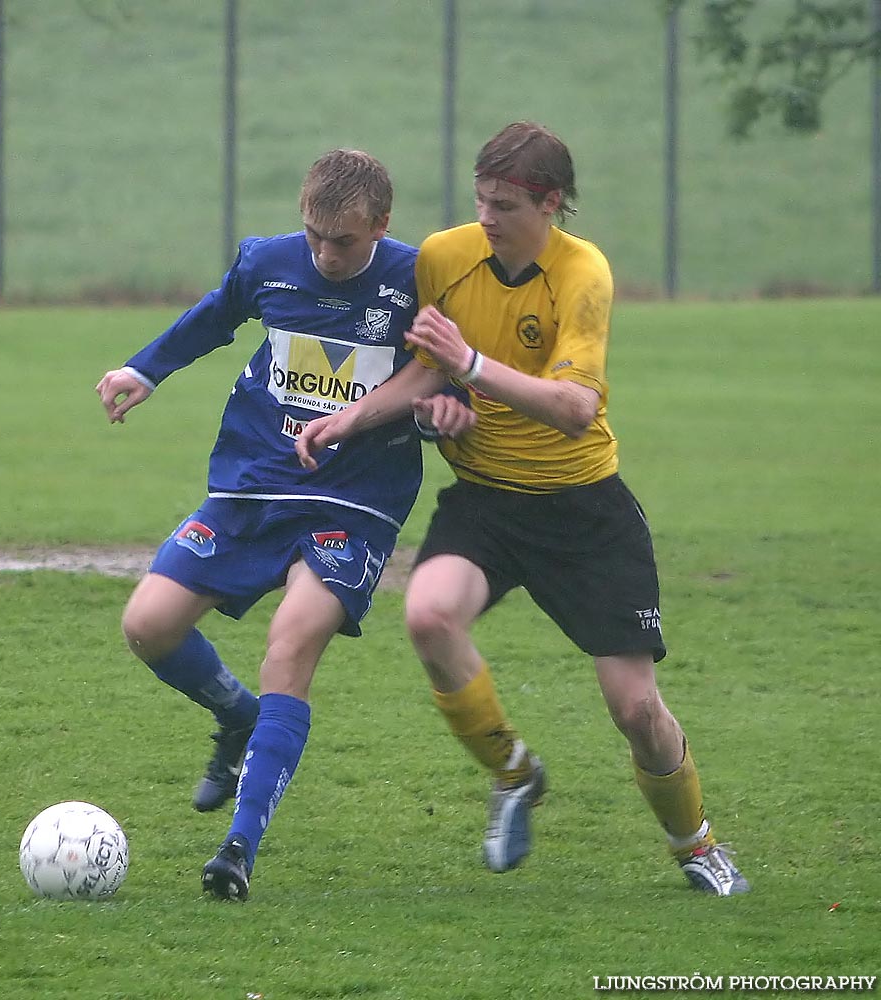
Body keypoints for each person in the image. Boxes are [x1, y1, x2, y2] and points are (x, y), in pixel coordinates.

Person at [297, 122, 749, 896]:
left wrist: (468, 367)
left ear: (550, 205)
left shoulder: (583, 275)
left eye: (504, 204)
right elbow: (425, 373)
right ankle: (513, 773)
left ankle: (694, 843)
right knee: (428, 615)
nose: (487, 217)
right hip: (486, 504)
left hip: (583, 511)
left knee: (635, 709)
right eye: (480, 199)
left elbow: (573, 408)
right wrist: (364, 414)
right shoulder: (445, 256)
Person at [95, 149, 472, 902]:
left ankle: (239, 846)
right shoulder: (268, 262)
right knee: (148, 625)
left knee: (290, 642)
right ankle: (235, 719)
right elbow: (216, 315)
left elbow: (440, 373)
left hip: (353, 504)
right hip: (251, 487)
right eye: (314, 236)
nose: (326, 254)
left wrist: (415, 416)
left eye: (345, 241)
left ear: (381, 227)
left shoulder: (416, 279)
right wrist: (145, 369)